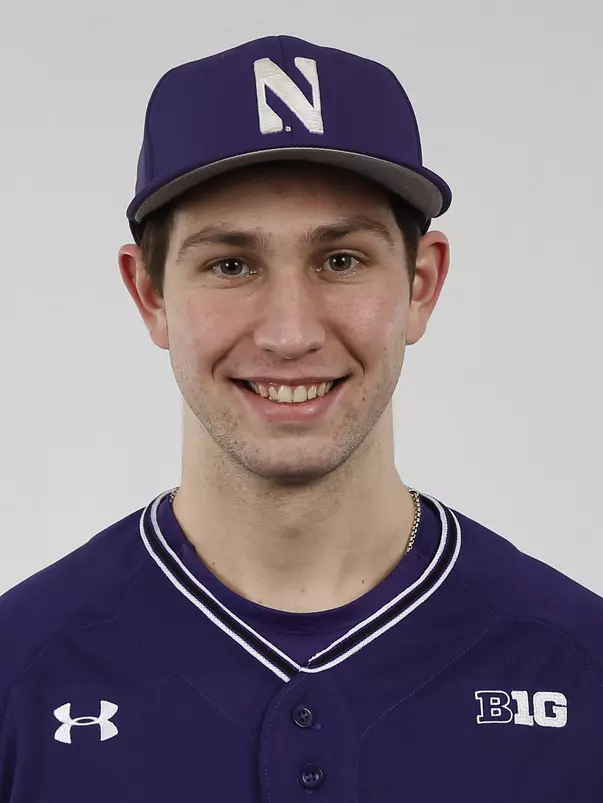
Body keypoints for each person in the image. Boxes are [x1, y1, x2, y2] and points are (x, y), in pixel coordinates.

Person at [1, 33, 602, 803]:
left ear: (421, 283)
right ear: (149, 294)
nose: (290, 332)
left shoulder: (576, 667)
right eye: (230, 264)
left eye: (341, 260)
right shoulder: (22, 671)